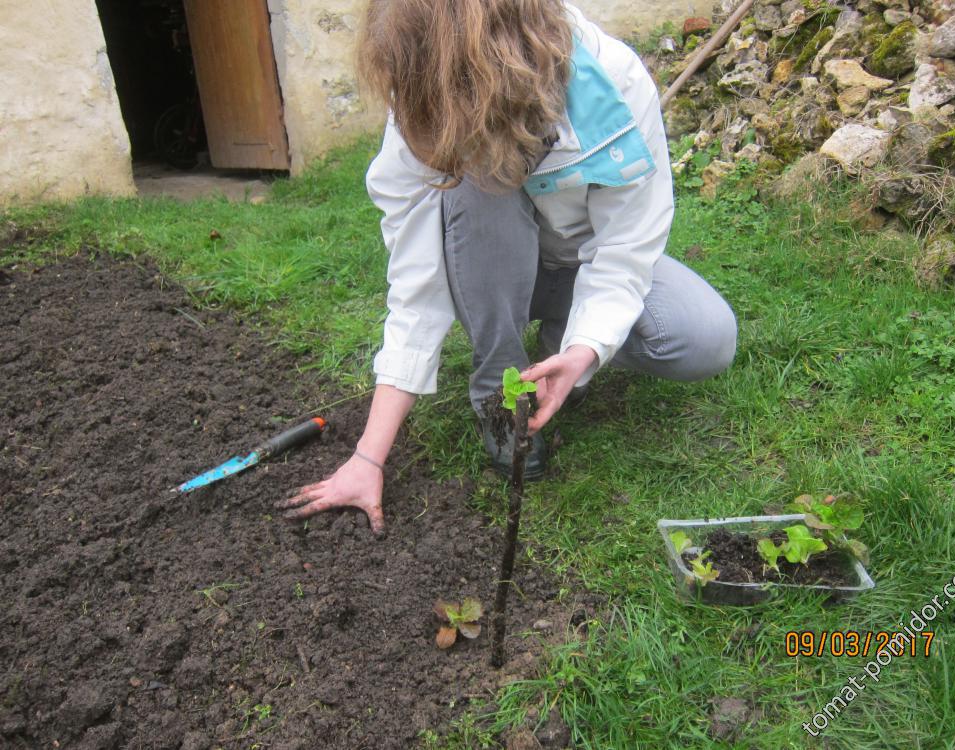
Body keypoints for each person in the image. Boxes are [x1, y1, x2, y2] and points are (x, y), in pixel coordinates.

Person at [277, 0, 737, 534]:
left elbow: (623, 252)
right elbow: (418, 284)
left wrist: (581, 350)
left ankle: (550, 365)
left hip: (579, 265)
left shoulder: (614, 81)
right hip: (487, 267)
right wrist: (368, 456)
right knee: (479, 182)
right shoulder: (429, 101)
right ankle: (500, 394)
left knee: (705, 337)